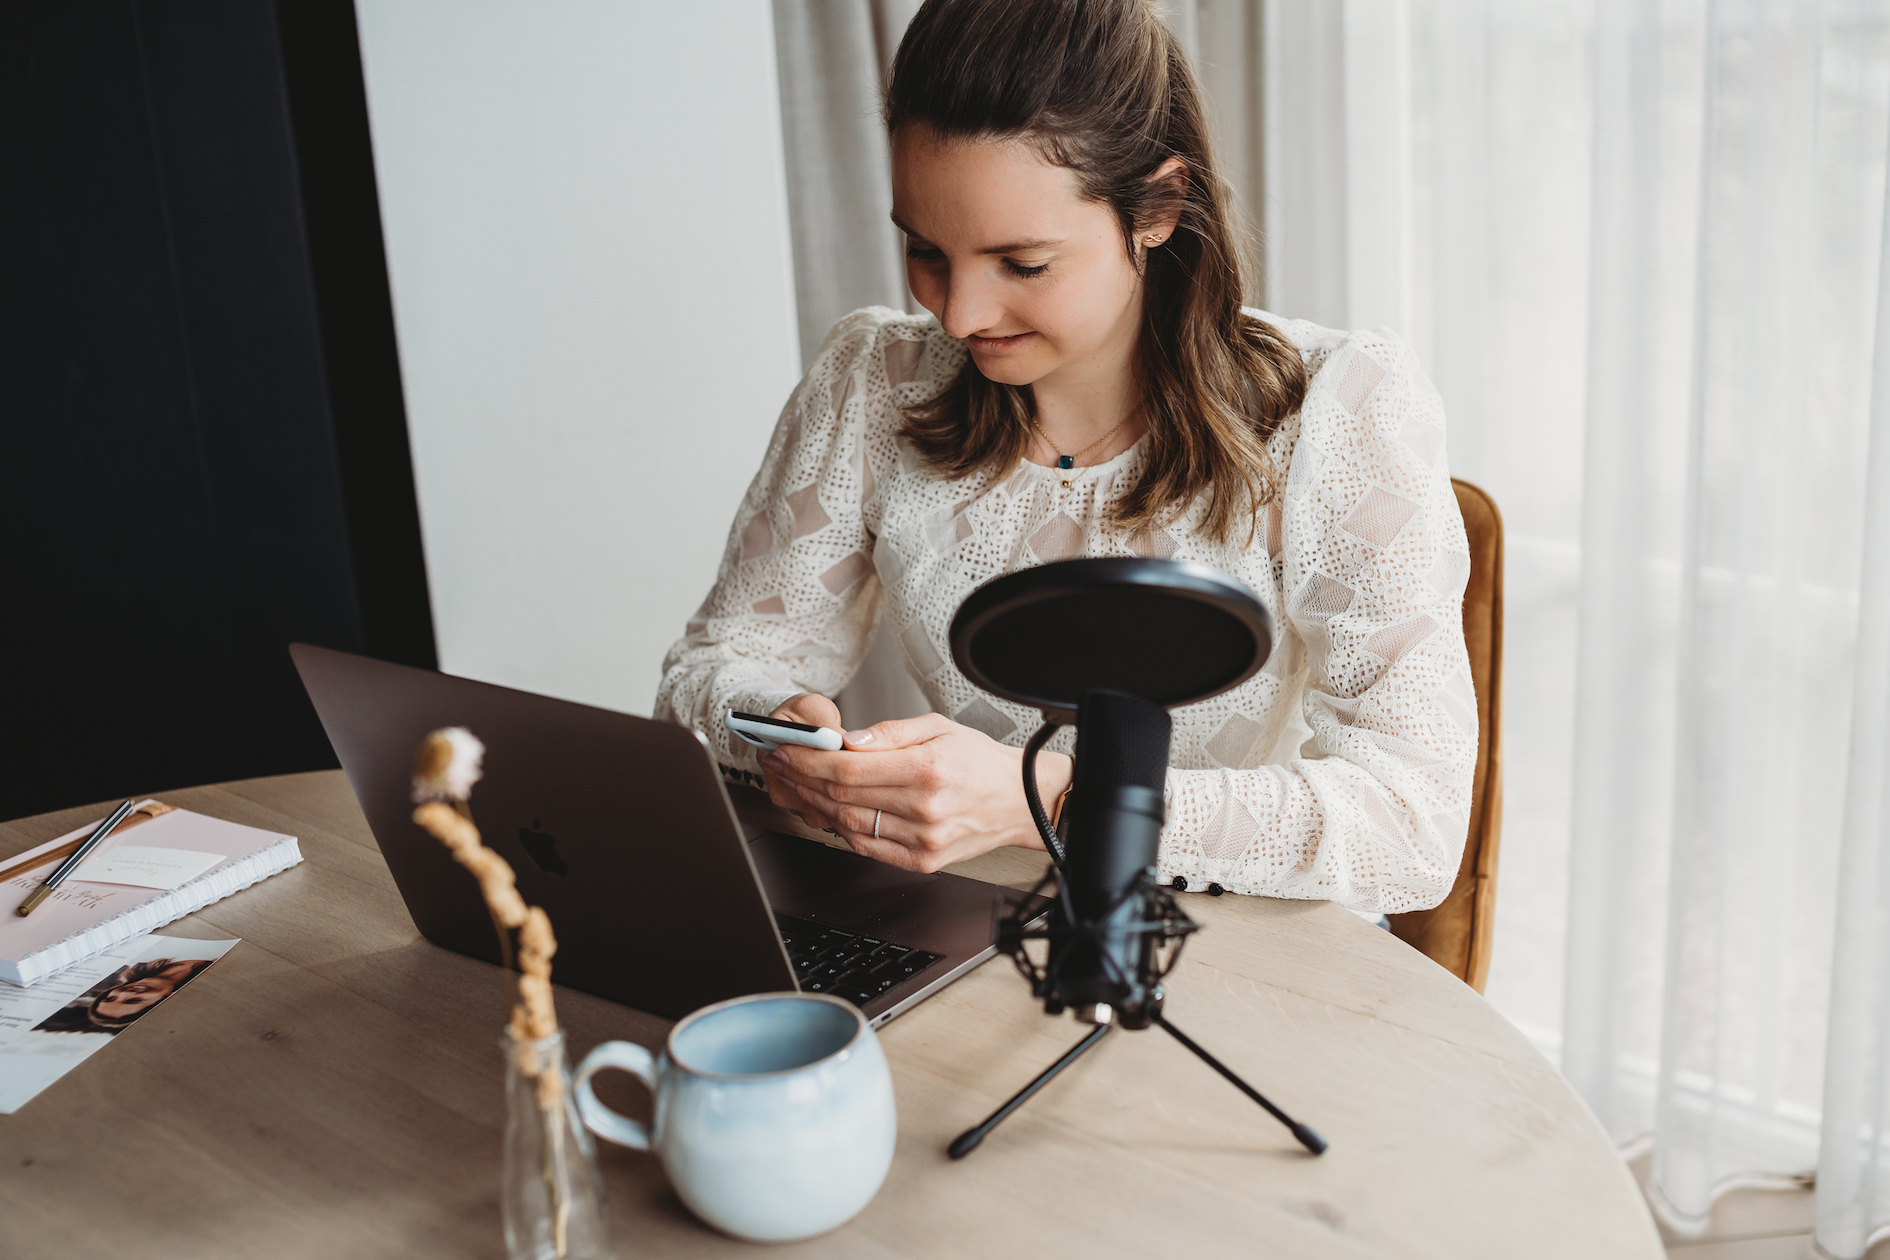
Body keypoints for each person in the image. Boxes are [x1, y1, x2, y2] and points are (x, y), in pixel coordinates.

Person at [655, 0, 1475, 915]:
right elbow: (707, 670)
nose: (958, 314)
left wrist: (1046, 800)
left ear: (1158, 207)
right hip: (963, 925)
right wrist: (778, 736)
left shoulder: (1338, 409)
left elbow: (1414, 824)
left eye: (1023, 263)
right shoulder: (873, 381)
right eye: (925, 250)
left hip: (1224, 944)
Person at [33, 958, 213, 1035]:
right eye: (134, 1001)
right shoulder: (212, 976)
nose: (125, 992)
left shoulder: (138, 963)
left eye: (110, 998)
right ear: (167, 998)